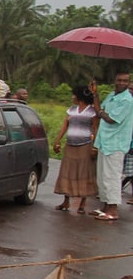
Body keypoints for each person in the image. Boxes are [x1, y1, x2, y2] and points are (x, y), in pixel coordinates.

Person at [88, 72, 133, 221]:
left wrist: (101, 112)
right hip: (104, 141)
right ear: (114, 81)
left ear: (128, 83)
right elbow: (98, 110)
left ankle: (113, 210)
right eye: (119, 80)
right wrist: (95, 94)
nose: (122, 83)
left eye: (125, 81)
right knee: (102, 176)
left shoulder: (127, 100)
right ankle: (105, 207)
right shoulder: (112, 95)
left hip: (116, 144)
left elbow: (111, 119)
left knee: (112, 177)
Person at [52, 85, 98, 214]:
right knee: (67, 172)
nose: (72, 97)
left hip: (85, 145)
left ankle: (82, 203)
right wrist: (57, 140)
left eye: (74, 95)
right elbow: (65, 125)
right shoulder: (71, 110)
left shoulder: (92, 111)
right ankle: (66, 201)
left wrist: (95, 146)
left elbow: (95, 128)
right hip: (70, 145)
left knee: (84, 173)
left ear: (80, 96)